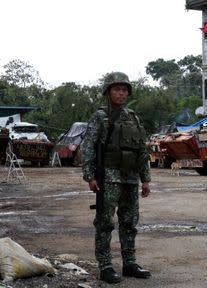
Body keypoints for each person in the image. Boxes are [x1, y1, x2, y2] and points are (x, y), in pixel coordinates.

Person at [82, 72, 151, 283]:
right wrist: (89, 176)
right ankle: (105, 266)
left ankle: (129, 263)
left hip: (130, 177)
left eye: (124, 90)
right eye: (117, 90)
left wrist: (145, 179)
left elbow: (141, 149)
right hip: (108, 176)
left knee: (129, 222)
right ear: (108, 92)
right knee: (104, 222)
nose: (121, 94)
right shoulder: (100, 116)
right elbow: (88, 146)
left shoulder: (133, 117)